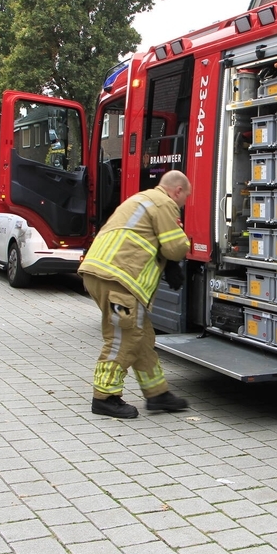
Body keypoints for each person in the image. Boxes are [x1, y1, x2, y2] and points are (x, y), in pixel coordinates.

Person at [78, 170, 192, 418]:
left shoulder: (142, 199)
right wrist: (181, 250)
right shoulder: (164, 202)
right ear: (178, 191)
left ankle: (157, 393)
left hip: (103, 272)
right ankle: (105, 397)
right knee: (124, 336)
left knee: (141, 337)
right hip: (121, 277)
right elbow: (175, 247)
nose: (182, 206)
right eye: (184, 200)